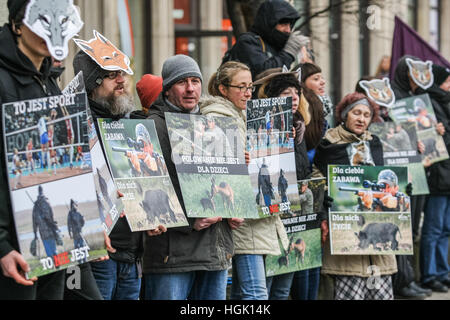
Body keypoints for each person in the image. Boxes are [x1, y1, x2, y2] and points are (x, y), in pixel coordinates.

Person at [132, 54, 238, 300]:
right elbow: (145, 197)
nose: (191, 88)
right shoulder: (152, 128)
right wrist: (189, 221)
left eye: (195, 81)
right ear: (168, 90)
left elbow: (222, 184)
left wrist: (236, 207)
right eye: (182, 82)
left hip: (214, 253)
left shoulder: (214, 127)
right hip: (172, 257)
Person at [200, 60, 285, 300]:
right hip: (241, 217)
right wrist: (240, 159)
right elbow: (211, 169)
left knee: (245, 292)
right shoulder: (216, 117)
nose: (248, 93)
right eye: (241, 87)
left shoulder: (245, 115)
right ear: (222, 88)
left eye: (250, 87)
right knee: (256, 294)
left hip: (255, 214)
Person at [0, 0, 66, 299]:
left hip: (53, 238)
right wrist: (2, 245)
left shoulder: (49, 81)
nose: (50, 29)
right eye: (39, 20)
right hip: (14, 245)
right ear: (17, 25)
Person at [73, 48, 145, 300]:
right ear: (93, 81)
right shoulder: (76, 127)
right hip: (98, 253)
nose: (122, 81)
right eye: (112, 75)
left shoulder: (127, 124)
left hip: (131, 250)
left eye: (122, 74)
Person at [313, 92, 399, 300]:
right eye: (356, 113)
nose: (361, 119)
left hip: (377, 232)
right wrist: (325, 198)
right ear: (345, 114)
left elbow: (385, 181)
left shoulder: (375, 143)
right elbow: (317, 178)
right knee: (350, 290)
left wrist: (401, 191)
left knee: (380, 291)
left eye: (366, 115)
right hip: (347, 232)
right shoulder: (329, 144)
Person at [390, 55, 436, 299]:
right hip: (400, 170)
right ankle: (401, 282)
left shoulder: (417, 99)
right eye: (413, 75)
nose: (418, 80)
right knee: (401, 227)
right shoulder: (392, 98)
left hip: (418, 168)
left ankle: (408, 278)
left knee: (412, 230)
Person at [415, 64, 450, 293]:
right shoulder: (428, 103)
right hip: (438, 174)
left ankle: (442, 271)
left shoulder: (444, 103)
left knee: (446, 228)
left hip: (448, 174)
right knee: (434, 227)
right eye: (448, 82)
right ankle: (429, 273)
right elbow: (433, 143)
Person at [222, 0, 303, 79]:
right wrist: (288, 53)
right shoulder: (248, 42)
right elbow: (263, 73)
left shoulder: (276, 44)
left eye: (290, 25)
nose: (288, 30)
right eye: (284, 24)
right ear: (270, 22)